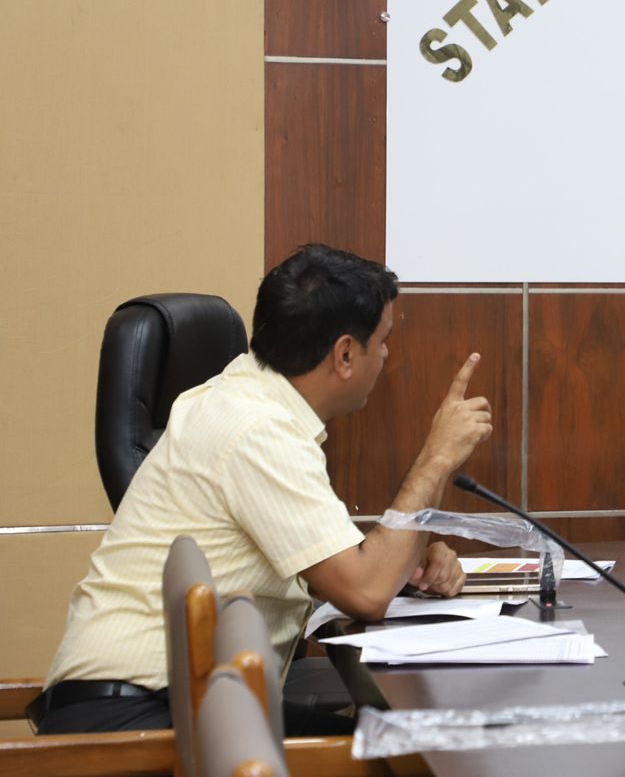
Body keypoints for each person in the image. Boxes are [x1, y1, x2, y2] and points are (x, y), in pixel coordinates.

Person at [30, 244, 494, 734]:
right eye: (382, 340)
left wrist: (408, 557)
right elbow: (366, 591)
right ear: (343, 354)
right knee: (420, 751)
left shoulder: (246, 399)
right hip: (135, 719)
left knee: (404, 738)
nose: (384, 355)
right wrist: (436, 459)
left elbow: (349, 571)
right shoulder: (258, 430)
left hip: (180, 702)